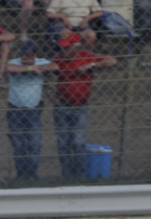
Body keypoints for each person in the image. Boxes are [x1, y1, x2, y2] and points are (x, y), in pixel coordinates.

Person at [50, 30, 116, 179]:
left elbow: (111, 61)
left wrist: (91, 65)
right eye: (62, 47)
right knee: (63, 143)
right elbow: (44, 73)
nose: (64, 50)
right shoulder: (58, 59)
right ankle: (67, 175)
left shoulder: (87, 56)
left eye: (67, 47)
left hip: (80, 106)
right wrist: (49, 92)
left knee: (78, 142)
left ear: (76, 46)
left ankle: (79, 175)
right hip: (62, 105)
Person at [4, 40, 50, 180]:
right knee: (18, 145)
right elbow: (10, 68)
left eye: (27, 54)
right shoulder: (15, 62)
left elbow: (55, 66)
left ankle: (32, 174)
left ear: (34, 55)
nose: (23, 57)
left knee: (34, 144)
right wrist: (30, 69)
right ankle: (21, 174)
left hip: (34, 110)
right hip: (15, 110)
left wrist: (40, 68)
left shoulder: (42, 62)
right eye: (22, 54)